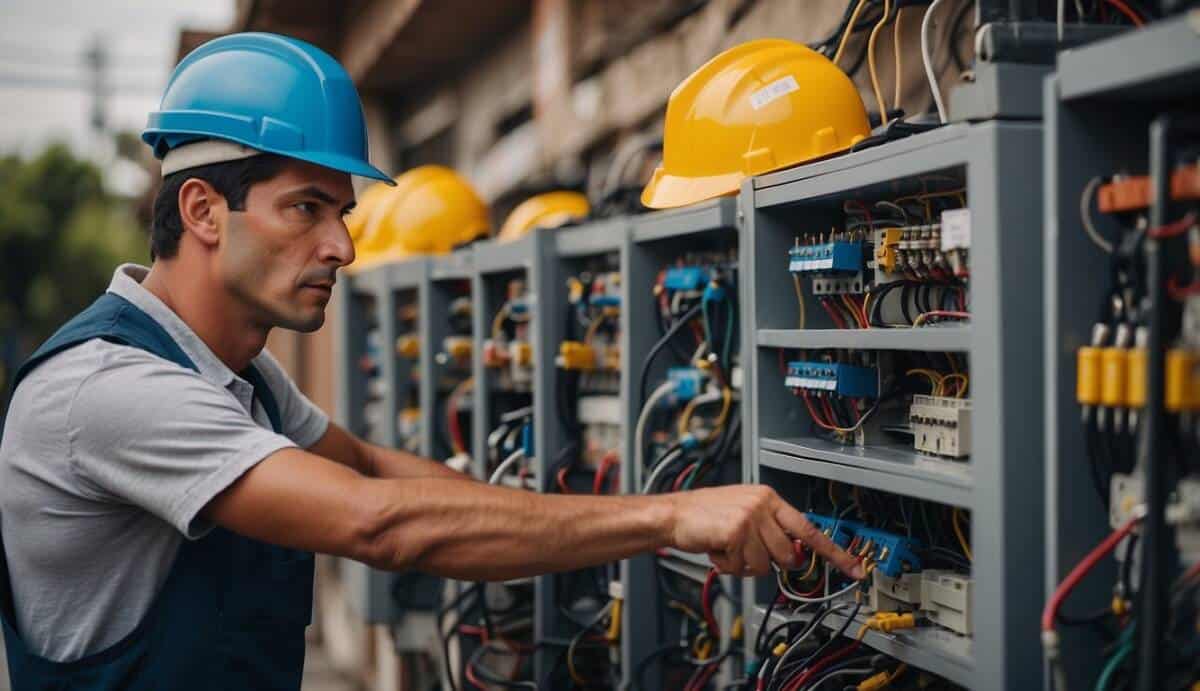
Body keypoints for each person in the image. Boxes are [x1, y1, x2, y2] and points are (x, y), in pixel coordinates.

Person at [0, 32, 862, 691]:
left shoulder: (244, 380)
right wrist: (670, 517)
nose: (341, 244)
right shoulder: (108, 391)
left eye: (341, 210)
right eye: (306, 207)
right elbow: (379, 520)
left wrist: (600, 514)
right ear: (203, 209)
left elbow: (377, 466)